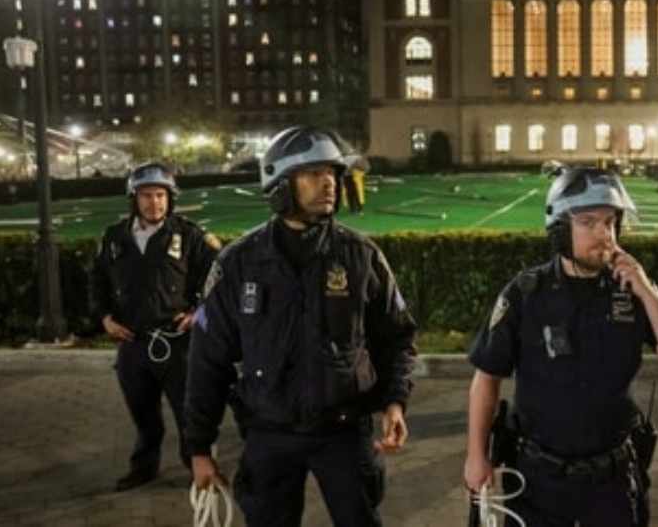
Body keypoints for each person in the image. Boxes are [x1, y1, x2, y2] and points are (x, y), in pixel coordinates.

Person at [185, 125, 419, 526]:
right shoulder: (238, 264)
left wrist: (395, 401)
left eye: (332, 172)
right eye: (313, 173)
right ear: (280, 183)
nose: (328, 182)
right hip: (268, 435)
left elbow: (397, 337)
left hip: (344, 433)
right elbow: (207, 360)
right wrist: (199, 448)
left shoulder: (361, 256)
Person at [464, 167, 658, 526]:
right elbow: (487, 377)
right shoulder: (526, 294)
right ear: (560, 230)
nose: (603, 234)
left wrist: (646, 290)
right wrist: (476, 455)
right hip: (539, 479)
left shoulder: (632, 289)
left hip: (613, 480)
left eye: (609, 222)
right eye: (588, 222)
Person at [90, 162, 222, 491]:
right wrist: (105, 319)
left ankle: (196, 468)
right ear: (134, 199)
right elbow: (97, 281)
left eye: (161, 195)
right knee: (144, 417)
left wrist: (199, 315)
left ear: (170, 198)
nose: (154, 203)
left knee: (188, 415)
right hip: (133, 345)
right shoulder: (114, 237)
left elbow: (220, 280)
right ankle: (144, 468)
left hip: (177, 344)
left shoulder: (190, 235)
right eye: (147, 195)